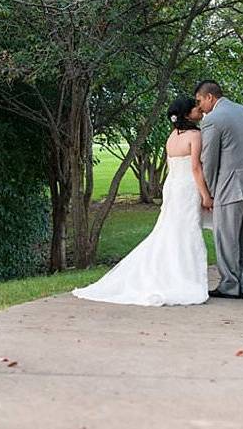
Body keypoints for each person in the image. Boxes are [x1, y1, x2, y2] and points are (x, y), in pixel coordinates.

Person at [71, 97, 212, 306]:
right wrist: (206, 195)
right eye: (195, 108)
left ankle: (167, 273)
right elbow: (195, 168)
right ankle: (184, 278)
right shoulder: (195, 135)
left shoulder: (172, 137)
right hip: (187, 187)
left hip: (173, 187)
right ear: (186, 114)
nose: (199, 110)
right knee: (187, 230)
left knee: (170, 229)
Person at [195, 80, 243, 299]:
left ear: (210, 97)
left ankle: (230, 285)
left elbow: (208, 161)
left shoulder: (212, 120)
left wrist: (208, 194)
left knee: (226, 237)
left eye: (200, 101)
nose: (200, 106)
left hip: (233, 185)